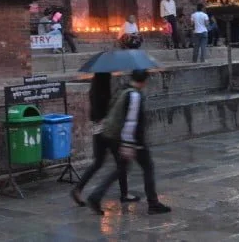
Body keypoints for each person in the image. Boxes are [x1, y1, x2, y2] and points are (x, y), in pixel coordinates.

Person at [86, 70, 171, 215]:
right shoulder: (134, 95)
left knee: (120, 169)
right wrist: (128, 144)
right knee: (148, 167)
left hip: (122, 139)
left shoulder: (124, 89)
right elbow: (131, 122)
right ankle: (153, 203)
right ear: (143, 81)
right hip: (133, 142)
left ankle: (95, 196)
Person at [71, 73, 138, 206]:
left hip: (97, 128)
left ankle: (78, 189)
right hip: (107, 129)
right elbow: (106, 106)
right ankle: (123, 194)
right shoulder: (103, 82)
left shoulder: (95, 84)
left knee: (99, 162)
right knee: (121, 161)